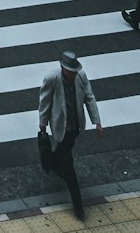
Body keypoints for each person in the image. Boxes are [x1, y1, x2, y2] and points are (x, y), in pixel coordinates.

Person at [38, 50, 104, 221]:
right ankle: (78, 206)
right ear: (62, 68)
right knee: (69, 166)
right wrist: (43, 123)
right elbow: (45, 101)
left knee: (62, 152)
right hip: (61, 126)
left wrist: (96, 121)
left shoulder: (80, 76)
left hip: (75, 127)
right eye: (70, 71)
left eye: (74, 71)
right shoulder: (52, 78)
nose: (73, 75)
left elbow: (89, 98)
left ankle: (52, 164)